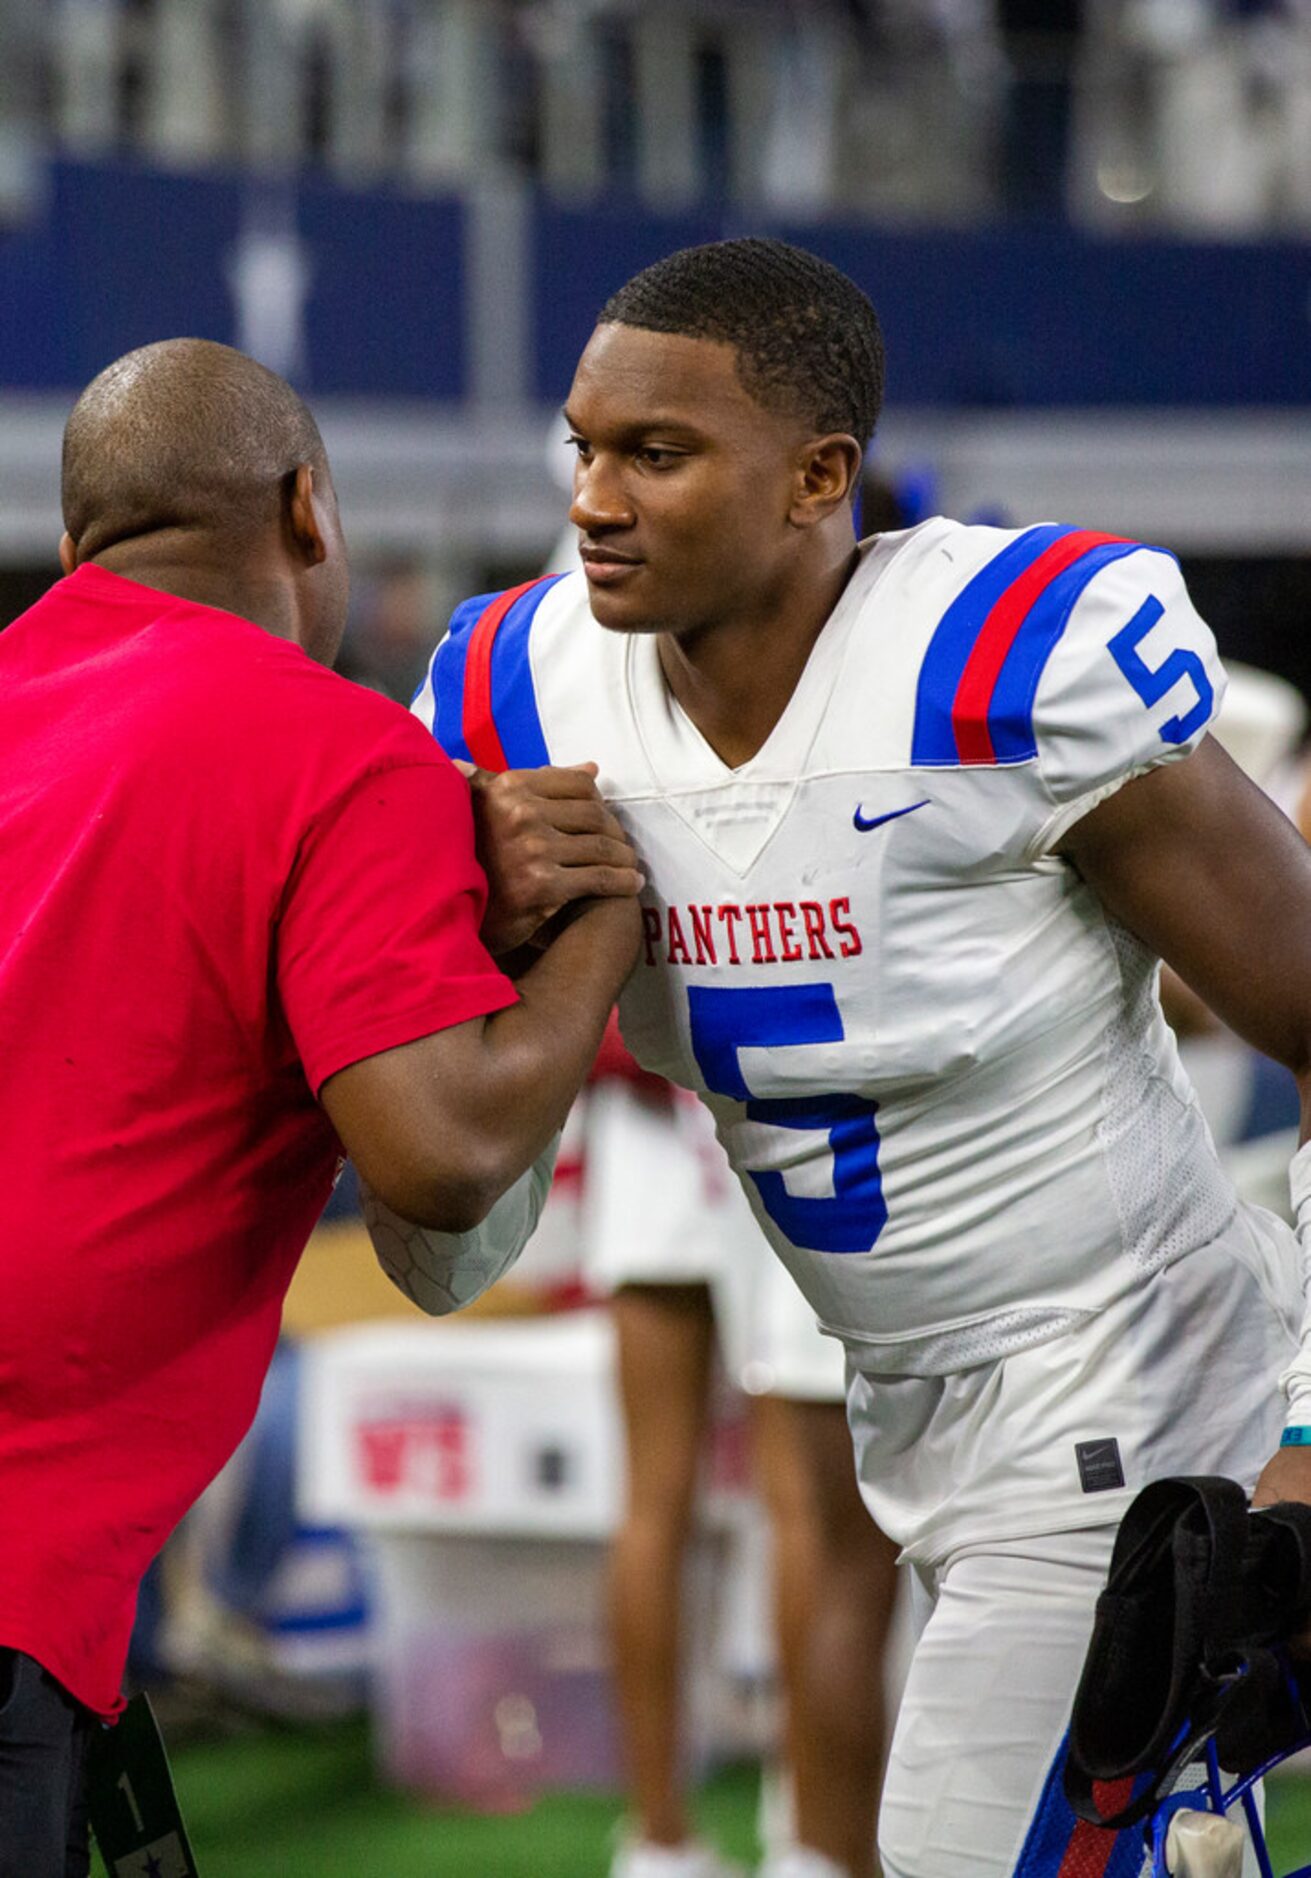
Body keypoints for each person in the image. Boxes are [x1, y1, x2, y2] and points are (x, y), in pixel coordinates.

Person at [415, 236, 1311, 1877]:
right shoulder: (515, 689)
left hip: (1128, 1370)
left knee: (958, 1843)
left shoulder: (1004, 665)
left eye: (658, 453)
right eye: (585, 448)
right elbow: (440, 1175)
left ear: (820, 476)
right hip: (905, 1398)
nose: (596, 498)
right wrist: (510, 934)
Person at [0, 337, 642, 1878]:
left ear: (81, 544)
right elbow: (439, 1161)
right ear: (308, 511)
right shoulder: (345, 754)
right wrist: (599, 919)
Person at [579, 1023, 895, 1878]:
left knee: (650, 1502)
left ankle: (661, 1841)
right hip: (767, 1087)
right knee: (806, 1510)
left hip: (649, 1109)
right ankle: (815, 1846)